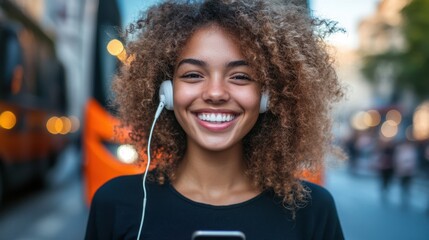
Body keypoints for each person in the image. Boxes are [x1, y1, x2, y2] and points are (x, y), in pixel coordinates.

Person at [85, 0, 345, 239]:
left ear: (267, 95)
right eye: (193, 75)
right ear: (167, 92)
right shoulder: (115, 203)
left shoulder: (313, 211)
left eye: (241, 76)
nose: (216, 93)